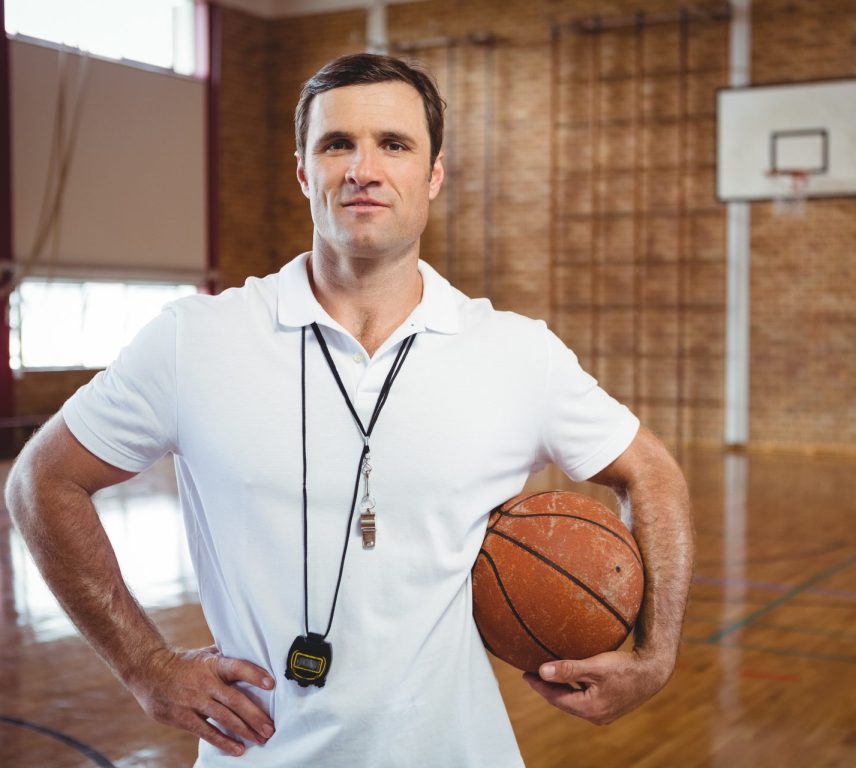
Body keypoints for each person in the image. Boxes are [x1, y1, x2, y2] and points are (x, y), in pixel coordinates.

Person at [5, 53, 694, 766]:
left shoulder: (517, 353)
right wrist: (145, 666)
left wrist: (658, 653)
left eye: (394, 145)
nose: (363, 168)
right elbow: (40, 482)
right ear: (303, 171)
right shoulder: (197, 340)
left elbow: (652, 472)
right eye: (338, 144)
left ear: (434, 175)